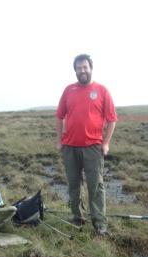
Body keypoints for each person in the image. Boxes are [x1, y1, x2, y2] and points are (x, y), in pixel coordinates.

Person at [55, 54, 117, 235]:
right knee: (74, 185)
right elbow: (59, 116)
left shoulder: (102, 90)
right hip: (70, 147)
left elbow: (112, 120)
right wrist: (59, 141)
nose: (82, 70)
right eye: (79, 68)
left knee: (95, 186)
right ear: (75, 70)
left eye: (85, 67)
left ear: (91, 68)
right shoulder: (68, 90)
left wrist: (106, 143)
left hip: (93, 147)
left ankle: (100, 223)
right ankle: (77, 218)